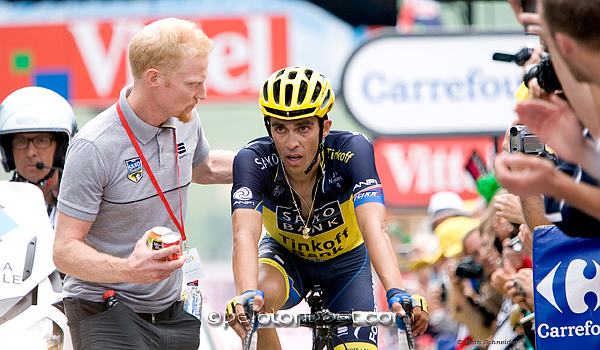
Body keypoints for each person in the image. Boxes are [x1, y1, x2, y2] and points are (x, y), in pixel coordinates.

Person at [52, 18, 235, 350]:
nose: (204, 94)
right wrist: (129, 269)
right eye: (194, 83)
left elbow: (204, 167)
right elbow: (64, 252)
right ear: (154, 79)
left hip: (173, 308)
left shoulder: (186, 118)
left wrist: (276, 164)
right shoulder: (94, 146)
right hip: (103, 308)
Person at [227, 66, 428, 350]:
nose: (291, 142)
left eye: (304, 127)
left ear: (325, 127)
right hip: (287, 259)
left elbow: (374, 227)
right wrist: (245, 296)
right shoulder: (253, 160)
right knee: (256, 302)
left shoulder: (352, 151)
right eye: (279, 128)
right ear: (268, 128)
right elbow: (244, 236)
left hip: (345, 264)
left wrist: (396, 291)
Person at [0, 86, 77, 228]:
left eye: (42, 140)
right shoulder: (2, 205)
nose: (30, 152)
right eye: (20, 141)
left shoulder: (82, 204)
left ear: (61, 149)